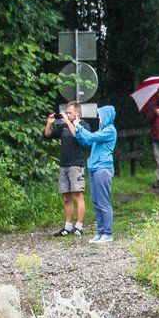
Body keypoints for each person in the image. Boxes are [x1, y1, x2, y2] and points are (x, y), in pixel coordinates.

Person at [63, 105, 117, 244]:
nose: (99, 118)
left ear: (106, 116)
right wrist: (78, 131)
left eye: (100, 115)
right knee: (96, 202)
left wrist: (77, 125)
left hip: (103, 168)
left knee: (104, 202)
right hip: (94, 168)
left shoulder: (110, 130)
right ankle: (100, 232)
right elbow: (86, 141)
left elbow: (91, 136)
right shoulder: (102, 130)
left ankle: (108, 233)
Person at [44, 101, 86, 236]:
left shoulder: (83, 125)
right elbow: (47, 135)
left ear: (77, 112)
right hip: (64, 165)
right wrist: (49, 123)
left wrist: (68, 121)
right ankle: (67, 227)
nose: (67, 115)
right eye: (66, 113)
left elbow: (76, 135)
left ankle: (79, 227)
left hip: (76, 164)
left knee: (77, 195)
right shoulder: (63, 127)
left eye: (70, 112)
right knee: (66, 197)